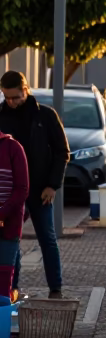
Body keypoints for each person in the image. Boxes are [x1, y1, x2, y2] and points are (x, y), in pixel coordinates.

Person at [0, 71, 69, 299]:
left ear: (25, 90)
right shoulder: (1, 115)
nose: (11, 102)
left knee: (47, 238)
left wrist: (52, 185)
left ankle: (55, 288)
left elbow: (62, 152)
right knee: (11, 242)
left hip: (40, 190)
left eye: (15, 97)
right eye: (6, 97)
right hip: (10, 194)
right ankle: (12, 290)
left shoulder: (46, 116)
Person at [0, 128, 29, 303]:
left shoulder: (13, 148)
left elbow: (22, 189)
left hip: (9, 225)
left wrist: (2, 213)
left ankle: (3, 323)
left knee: (3, 282)